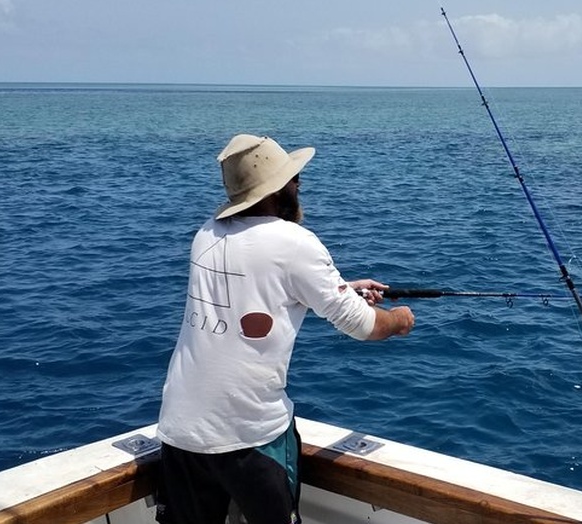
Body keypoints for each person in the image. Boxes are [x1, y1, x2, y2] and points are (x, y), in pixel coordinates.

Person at [155, 134, 415, 524]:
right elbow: (362, 326)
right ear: (280, 189)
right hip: (249, 435)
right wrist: (398, 320)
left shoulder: (206, 233)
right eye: (295, 180)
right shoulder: (295, 242)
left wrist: (342, 289)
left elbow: (259, 288)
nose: (299, 186)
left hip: (180, 431)